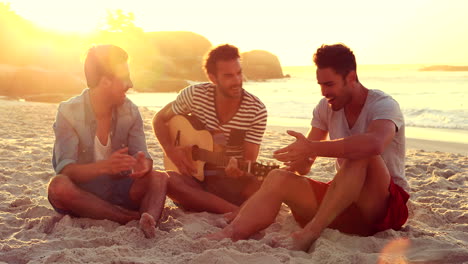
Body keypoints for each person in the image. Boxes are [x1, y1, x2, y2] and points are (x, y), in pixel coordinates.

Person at [207, 43, 410, 251]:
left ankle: (310, 232)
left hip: (384, 206)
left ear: (350, 77)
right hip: (343, 203)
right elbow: (305, 165)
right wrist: (294, 161)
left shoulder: (383, 105)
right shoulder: (326, 108)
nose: (324, 92)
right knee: (278, 177)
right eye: (320, 85)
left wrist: (312, 148)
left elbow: (374, 144)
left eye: (329, 84)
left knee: (360, 153)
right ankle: (232, 233)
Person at [47, 44, 168, 238]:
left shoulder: (130, 111)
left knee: (159, 178)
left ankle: (149, 219)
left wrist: (143, 165)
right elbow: (66, 169)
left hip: (121, 189)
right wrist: (105, 167)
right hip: (84, 194)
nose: (130, 84)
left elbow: (143, 157)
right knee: (58, 186)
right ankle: (131, 217)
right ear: (105, 81)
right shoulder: (68, 112)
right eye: (124, 78)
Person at [152, 44, 268, 215]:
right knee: (167, 180)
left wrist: (238, 171)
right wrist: (171, 151)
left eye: (239, 73)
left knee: (262, 181)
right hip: (193, 177)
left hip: (227, 182)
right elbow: (159, 119)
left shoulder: (256, 110)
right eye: (228, 76)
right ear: (213, 78)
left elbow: (249, 160)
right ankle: (232, 210)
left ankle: (215, 205)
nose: (236, 81)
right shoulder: (194, 96)